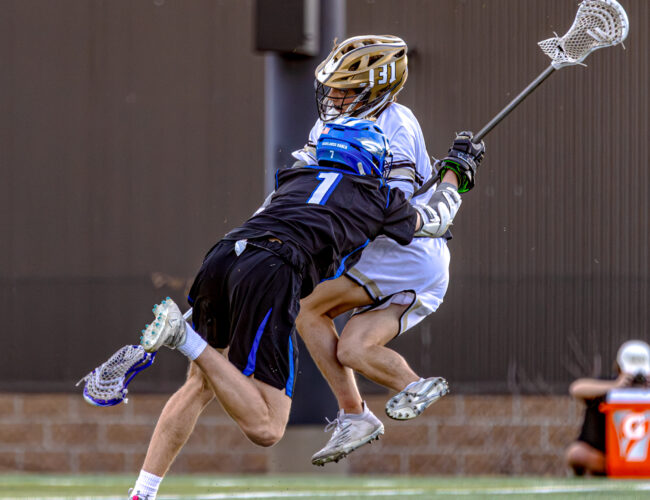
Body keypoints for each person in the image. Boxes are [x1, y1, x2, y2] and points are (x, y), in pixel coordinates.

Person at [128, 118, 480, 500]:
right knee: (267, 428)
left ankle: (143, 492)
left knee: (198, 383)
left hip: (223, 256)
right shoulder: (378, 197)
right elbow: (436, 219)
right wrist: (453, 172)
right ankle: (184, 339)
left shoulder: (294, 179)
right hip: (273, 269)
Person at [291, 35, 485, 465]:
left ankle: (354, 413)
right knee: (353, 350)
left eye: (346, 89)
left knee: (305, 306)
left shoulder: (398, 124)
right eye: (334, 87)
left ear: (376, 89)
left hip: (409, 254)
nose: (335, 97)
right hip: (381, 254)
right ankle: (410, 386)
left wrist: (453, 178)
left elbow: (390, 214)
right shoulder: (327, 125)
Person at [565, 340, 650, 476]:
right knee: (577, 453)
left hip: (644, 457)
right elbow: (576, 388)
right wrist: (615, 386)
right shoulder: (607, 385)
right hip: (605, 456)